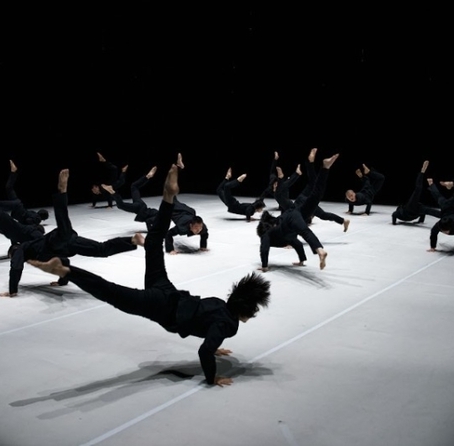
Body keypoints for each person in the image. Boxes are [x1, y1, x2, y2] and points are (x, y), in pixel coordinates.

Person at [26, 160, 271, 387]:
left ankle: (168, 197)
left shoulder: (220, 304)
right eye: (254, 310)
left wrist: (214, 344)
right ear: (244, 309)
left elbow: (207, 326)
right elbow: (204, 351)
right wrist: (212, 377)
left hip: (168, 290)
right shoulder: (229, 326)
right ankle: (66, 270)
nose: (254, 314)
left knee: (153, 243)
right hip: (161, 306)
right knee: (111, 293)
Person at [1, 168, 143, 297]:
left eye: (12, 256)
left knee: (64, 228)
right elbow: (64, 261)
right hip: (68, 246)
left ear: (13, 251)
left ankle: (61, 193)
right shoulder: (33, 252)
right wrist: (62, 282)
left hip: (53, 242)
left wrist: (12, 291)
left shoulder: (22, 248)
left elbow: (16, 267)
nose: (13, 259)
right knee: (101, 249)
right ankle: (131, 241)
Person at [104, 155, 208, 254]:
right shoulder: (181, 227)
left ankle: (154, 175)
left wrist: (203, 246)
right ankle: (113, 192)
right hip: (163, 209)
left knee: (135, 187)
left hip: (182, 211)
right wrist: (169, 248)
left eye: (199, 228)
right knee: (168, 189)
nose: (198, 230)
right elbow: (167, 232)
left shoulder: (202, 228)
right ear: (190, 225)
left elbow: (204, 234)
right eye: (196, 228)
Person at [257, 154, 337, 272]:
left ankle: (320, 251)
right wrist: (301, 260)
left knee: (305, 230)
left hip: (292, 215)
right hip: (298, 213)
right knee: (315, 197)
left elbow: (264, 249)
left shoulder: (267, 235)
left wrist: (264, 266)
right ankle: (324, 168)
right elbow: (298, 244)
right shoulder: (287, 237)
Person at [293, 148, 350, 231]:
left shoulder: (305, 215)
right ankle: (310, 163)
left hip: (303, 204)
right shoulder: (298, 215)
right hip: (299, 198)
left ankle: (343, 221)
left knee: (323, 215)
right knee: (312, 183)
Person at [392, 160, 431, 225]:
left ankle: (422, 172)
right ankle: (422, 172)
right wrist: (421, 221)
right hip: (410, 211)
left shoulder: (399, 213)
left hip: (413, 212)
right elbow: (394, 215)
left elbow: (394, 215)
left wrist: (394, 223)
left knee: (418, 191)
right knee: (417, 190)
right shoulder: (401, 212)